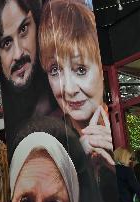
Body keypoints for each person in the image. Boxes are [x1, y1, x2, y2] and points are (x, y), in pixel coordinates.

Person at [39, 0, 113, 166]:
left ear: (101, 71)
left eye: (80, 70)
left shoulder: (117, 128)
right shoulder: (48, 144)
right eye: (55, 70)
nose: (69, 89)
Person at [0, 0, 58, 152]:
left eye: (23, 29)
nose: (18, 53)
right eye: (6, 42)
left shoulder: (67, 105)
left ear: (38, 26)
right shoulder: (16, 127)